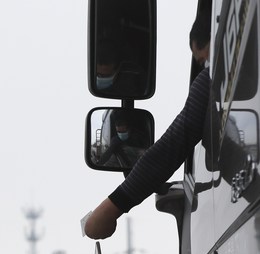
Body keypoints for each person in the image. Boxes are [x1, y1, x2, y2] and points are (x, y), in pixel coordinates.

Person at [85, 9, 211, 239]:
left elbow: (175, 142)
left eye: (204, 61)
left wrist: (112, 207)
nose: (206, 70)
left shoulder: (211, 81)